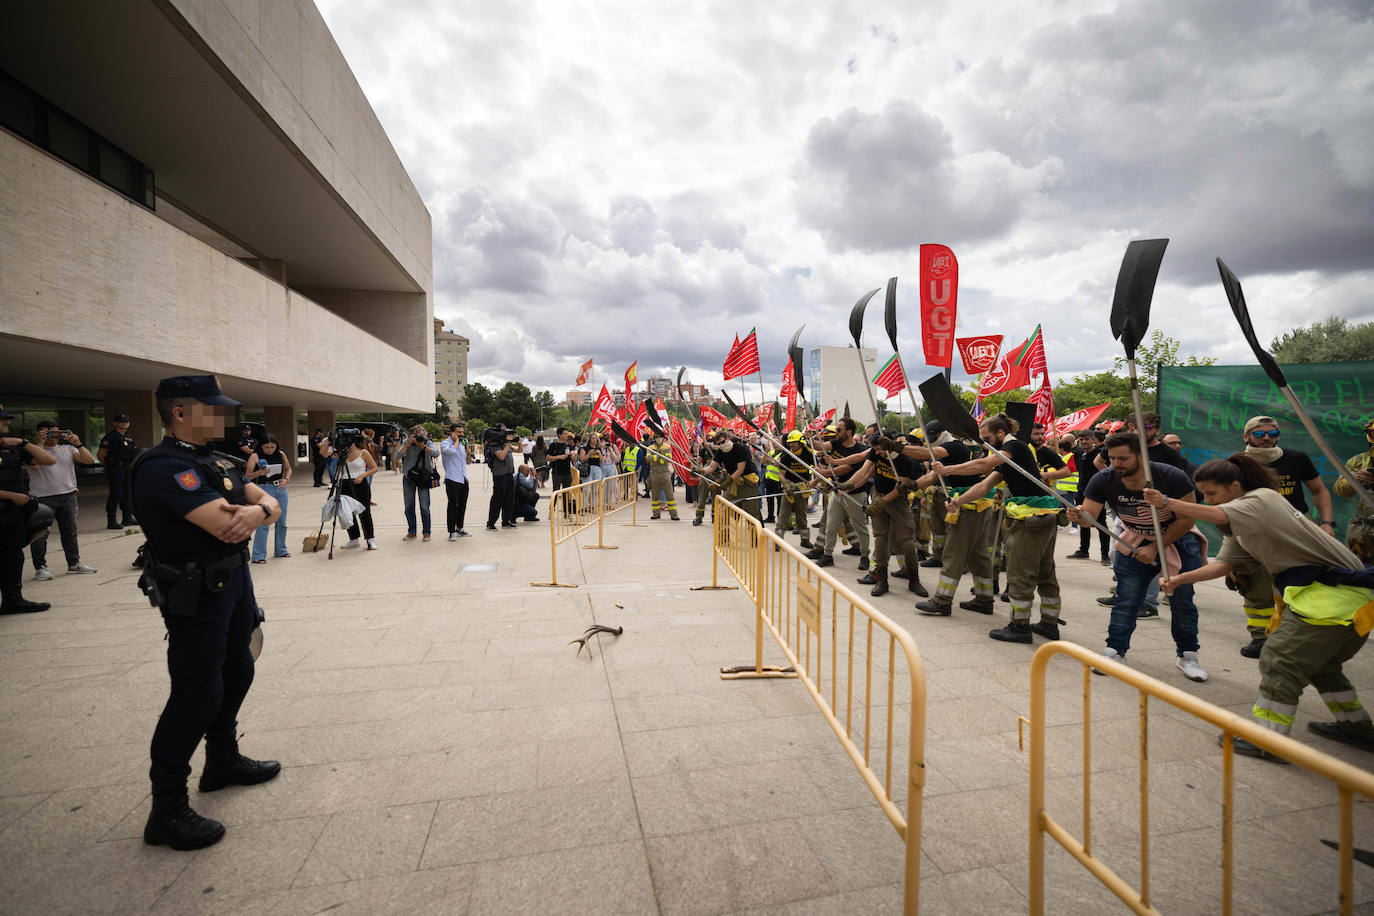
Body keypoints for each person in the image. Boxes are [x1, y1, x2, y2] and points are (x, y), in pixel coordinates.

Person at [131, 375, 281, 850]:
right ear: (179, 412)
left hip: (234, 583)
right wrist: (256, 509)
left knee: (238, 670)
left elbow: (264, 501)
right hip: (196, 590)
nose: (223, 416)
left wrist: (258, 509)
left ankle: (222, 760)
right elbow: (225, 526)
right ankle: (167, 807)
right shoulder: (163, 466)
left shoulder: (215, 460)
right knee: (196, 691)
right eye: (212, 408)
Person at [1150, 455, 1374, 760]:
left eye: (1213, 493)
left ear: (1236, 486)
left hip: (1333, 598)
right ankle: (1356, 726)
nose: (1209, 500)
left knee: (1280, 659)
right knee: (1322, 667)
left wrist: (1166, 502)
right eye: (1204, 494)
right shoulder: (1243, 526)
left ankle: (1269, 740)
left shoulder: (1263, 499)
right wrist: (1178, 580)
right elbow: (1224, 565)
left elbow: (1216, 515)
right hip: (1337, 600)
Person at [1069, 432, 1208, 681]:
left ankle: (1188, 655)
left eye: (1123, 458)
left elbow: (1188, 519)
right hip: (1133, 538)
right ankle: (1115, 652)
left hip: (1179, 538)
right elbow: (1090, 516)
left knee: (1182, 601)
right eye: (1112, 458)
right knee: (1127, 599)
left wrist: (1155, 548)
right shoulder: (1104, 479)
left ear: (1140, 456)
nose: (1117, 464)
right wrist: (1079, 516)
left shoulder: (1170, 476)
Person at [934, 414, 1061, 643]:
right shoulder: (1009, 460)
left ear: (1001, 434)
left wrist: (948, 469)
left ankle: (1019, 626)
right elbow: (983, 486)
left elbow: (983, 464)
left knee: (1020, 572)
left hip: (1031, 518)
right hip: (1041, 516)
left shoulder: (1014, 447)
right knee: (1044, 570)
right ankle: (1049, 624)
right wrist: (958, 502)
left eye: (987, 438)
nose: (984, 443)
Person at [1225, 415, 1336, 658]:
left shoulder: (1297, 458)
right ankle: (1260, 638)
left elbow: (1318, 490)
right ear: (1246, 437)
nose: (1266, 438)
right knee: (1254, 585)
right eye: (1259, 433)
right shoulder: (1235, 463)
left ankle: (1296, 634)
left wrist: (1326, 523)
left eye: (1272, 434)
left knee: (1300, 584)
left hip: (1295, 530)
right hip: (1253, 532)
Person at [908, 422, 996, 615]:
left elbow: (928, 454)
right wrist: (912, 486)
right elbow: (932, 476)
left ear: (942, 434)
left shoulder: (954, 446)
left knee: (953, 552)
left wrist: (897, 447)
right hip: (976, 503)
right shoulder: (949, 451)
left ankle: (942, 600)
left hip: (968, 506)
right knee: (979, 554)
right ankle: (984, 598)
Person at [847, 435, 926, 598]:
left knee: (906, 540)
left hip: (897, 501)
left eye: (879, 449)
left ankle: (914, 579)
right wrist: (848, 485)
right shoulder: (876, 453)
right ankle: (881, 580)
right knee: (880, 537)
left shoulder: (905, 461)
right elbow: (863, 471)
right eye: (874, 449)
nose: (877, 453)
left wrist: (880, 503)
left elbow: (900, 489)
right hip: (879, 495)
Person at [0, 406, 56, 614]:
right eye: (3, 420)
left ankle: (12, 600)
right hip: (6, 505)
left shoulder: (12, 447)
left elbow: (49, 460)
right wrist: (10, 495)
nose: (7, 423)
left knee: (13, 555)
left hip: (12, 513)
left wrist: (23, 442)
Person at [28, 421, 97, 580]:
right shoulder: (32, 450)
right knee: (40, 534)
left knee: (70, 532)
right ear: (40, 433)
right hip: (42, 497)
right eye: (50, 432)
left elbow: (89, 460)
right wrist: (40, 442)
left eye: (57, 432)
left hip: (68, 495)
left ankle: (74, 563)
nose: (55, 435)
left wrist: (78, 444)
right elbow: (35, 465)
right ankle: (40, 567)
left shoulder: (67, 449)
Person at [806, 417, 872, 570]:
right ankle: (827, 555)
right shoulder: (836, 443)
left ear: (849, 431)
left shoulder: (860, 450)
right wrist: (810, 439)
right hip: (837, 493)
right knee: (831, 525)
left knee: (860, 527)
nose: (836, 432)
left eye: (839, 429)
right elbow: (819, 446)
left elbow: (846, 468)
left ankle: (864, 556)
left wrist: (825, 472)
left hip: (854, 493)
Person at [244, 434, 291, 564]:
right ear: (261, 446)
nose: (270, 450)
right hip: (264, 488)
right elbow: (247, 476)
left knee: (282, 521)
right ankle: (259, 555)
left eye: (272, 447)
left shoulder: (281, 454)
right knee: (264, 521)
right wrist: (258, 473)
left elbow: (288, 469)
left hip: (280, 488)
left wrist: (286, 479)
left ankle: (281, 549)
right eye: (267, 447)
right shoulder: (255, 456)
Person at [1335, 415, 1374, 564]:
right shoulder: (1358, 462)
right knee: (1358, 570)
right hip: (1362, 529)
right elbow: (1341, 491)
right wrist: (1356, 479)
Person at [396, 425, 440, 541]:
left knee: (424, 507)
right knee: (409, 506)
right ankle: (412, 532)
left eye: (421, 435)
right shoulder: (407, 442)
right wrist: (408, 444)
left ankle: (427, 532)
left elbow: (436, 453)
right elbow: (398, 456)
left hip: (423, 478)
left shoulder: (427, 442)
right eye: (417, 435)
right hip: (408, 477)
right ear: (411, 435)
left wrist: (423, 446)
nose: (419, 437)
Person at [773, 431, 814, 548]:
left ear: (800, 442)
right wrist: (787, 485)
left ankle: (805, 540)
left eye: (794, 442)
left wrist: (814, 483)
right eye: (789, 443)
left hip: (803, 489)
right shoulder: (786, 456)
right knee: (783, 516)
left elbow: (818, 469)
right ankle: (778, 541)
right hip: (789, 490)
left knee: (801, 515)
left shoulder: (808, 454)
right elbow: (781, 474)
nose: (791, 445)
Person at [98, 412, 139, 528]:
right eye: (121, 422)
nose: (124, 423)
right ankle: (111, 520)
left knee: (127, 493)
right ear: (115, 423)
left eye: (126, 421)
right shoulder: (110, 437)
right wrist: (108, 466)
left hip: (127, 468)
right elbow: (101, 454)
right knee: (116, 493)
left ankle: (127, 518)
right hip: (116, 468)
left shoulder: (129, 437)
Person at [339, 435, 378, 550]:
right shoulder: (342, 453)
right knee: (348, 512)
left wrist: (363, 475)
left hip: (360, 483)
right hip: (344, 484)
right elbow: (324, 452)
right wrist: (328, 440)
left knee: (364, 512)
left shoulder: (363, 452)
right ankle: (353, 538)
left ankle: (370, 539)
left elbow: (374, 468)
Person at [440, 423, 470, 540]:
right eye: (458, 432)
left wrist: (468, 453)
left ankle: (460, 527)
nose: (461, 435)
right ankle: (451, 531)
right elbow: (451, 452)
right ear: (452, 432)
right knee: (453, 506)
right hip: (452, 478)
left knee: (463, 505)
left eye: (462, 432)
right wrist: (456, 441)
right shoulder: (445, 443)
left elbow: (468, 462)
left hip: (463, 478)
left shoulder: (462, 444)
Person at [646, 431, 679, 520]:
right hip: (654, 473)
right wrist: (660, 457)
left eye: (660, 437)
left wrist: (656, 457)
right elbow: (648, 458)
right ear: (654, 438)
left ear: (663, 438)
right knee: (655, 495)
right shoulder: (650, 447)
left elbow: (668, 459)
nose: (658, 439)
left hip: (665, 473)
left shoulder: (667, 446)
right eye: (656, 437)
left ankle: (674, 514)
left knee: (669, 494)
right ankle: (656, 513)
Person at [487, 431, 517, 529]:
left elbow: (519, 450)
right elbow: (501, 456)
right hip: (500, 475)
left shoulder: (505, 444)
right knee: (497, 499)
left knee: (509, 499)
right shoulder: (494, 444)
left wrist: (519, 441)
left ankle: (506, 520)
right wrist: (508, 443)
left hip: (509, 474)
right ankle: (491, 523)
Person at [546, 427, 574, 513]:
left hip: (567, 473)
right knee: (556, 492)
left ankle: (566, 511)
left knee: (566, 493)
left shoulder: (568, 445)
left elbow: (573, 460)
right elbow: (548, 458)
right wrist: (559, 457)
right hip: (557, 473)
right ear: (559, 435)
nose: (567, 435)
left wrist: (573, 455)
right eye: (565, 434)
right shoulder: (553, 445)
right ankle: (552, 509)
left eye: (567, 434)